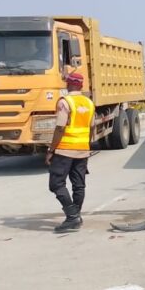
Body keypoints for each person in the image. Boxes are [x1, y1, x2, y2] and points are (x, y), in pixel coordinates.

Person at [46, 72, 95, 233]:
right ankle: (76, 217)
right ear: (81, 85)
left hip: (65, 150)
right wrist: (87, 147)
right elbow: (92, 127)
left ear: (68, 84)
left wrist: (51, 149)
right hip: (82, 150)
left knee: (56, 183)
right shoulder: (89, 103)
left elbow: (60, 127)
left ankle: (72, 215)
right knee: (78, 185)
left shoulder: (65, 102)